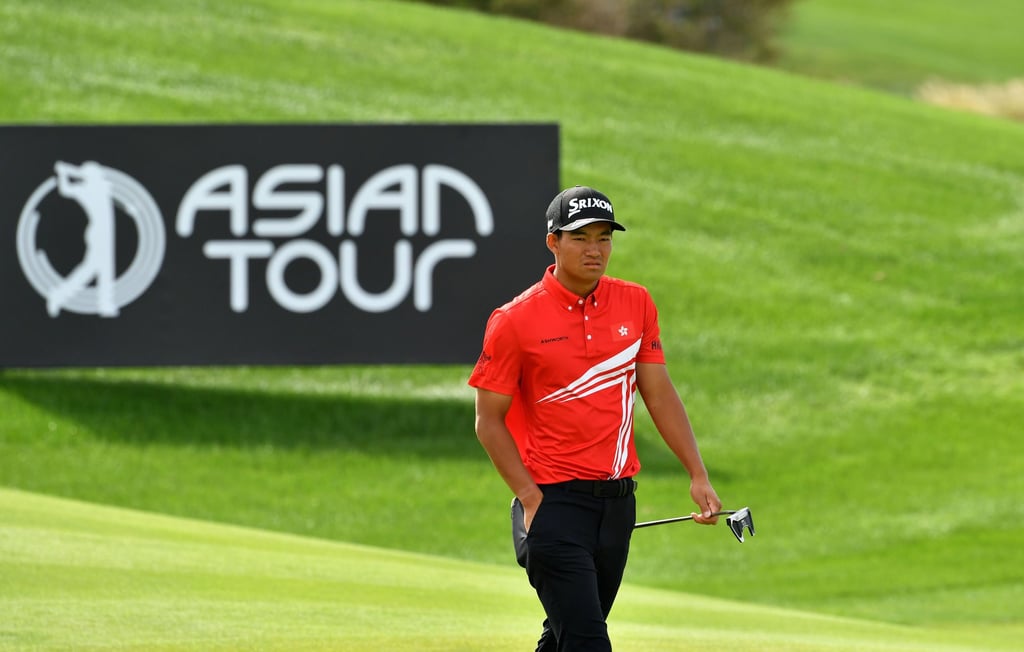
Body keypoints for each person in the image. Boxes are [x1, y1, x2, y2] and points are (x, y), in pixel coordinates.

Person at [468, 185, 722, 651]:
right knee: (587, 642)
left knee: (565, 638)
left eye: (604, 238)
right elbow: (488, 421)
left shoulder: (636, 303)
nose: (595, 250)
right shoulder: (514, 320)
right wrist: (528, 497)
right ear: (553, 242)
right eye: (581, 237)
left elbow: (659, 393)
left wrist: (697, 472)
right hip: (551, 503)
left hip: (617, 505)